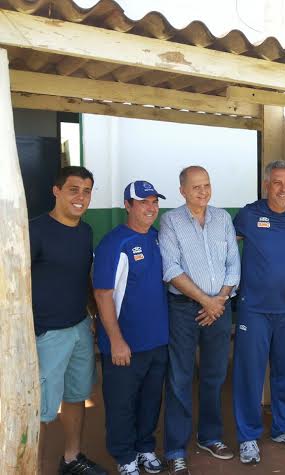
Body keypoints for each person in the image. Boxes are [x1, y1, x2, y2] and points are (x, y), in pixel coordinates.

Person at [158, 166, 241, 474]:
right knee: (180, 378)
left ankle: (210, 436)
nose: (203, 192)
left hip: (220, 307)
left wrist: (218, 300)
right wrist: (207, 301)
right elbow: (171, 269)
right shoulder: (170, 221)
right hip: (184, 308)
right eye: (196, 187)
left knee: (215, 375)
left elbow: (234, 263)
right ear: (182, 190)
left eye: (207, 185)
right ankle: (176, 448)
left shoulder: (223, 218)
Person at [29, 166, 107, 475]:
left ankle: (72, 458)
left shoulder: (85, 231)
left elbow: (84, 278)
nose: (81, 197)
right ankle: (30, 467)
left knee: (76, 396)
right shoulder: (34, 230)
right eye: (74, 189)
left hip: (78, 329)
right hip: (45, 334)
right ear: (56, 191)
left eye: (87, 191)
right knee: (41, 410)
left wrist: (94, 314)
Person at [232, 160, 285, 464]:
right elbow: (225, 245)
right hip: (253, 310)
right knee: (249, 375)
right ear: (266, 185)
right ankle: (248, 436)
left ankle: (284, 427)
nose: (283, 189)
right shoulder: (248, 215)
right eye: (277, 182)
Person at [93, 181, 169, 475]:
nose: (150, 208)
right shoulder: (115, 242)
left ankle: (145, 448)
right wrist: (115, 340)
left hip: (157, 341)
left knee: (151, 400)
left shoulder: (158, 238)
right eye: (143, 202)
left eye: (154, 202)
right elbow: (102, 294)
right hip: (125, 344)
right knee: (122, 404)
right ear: (128, 206)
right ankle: (125, 457)